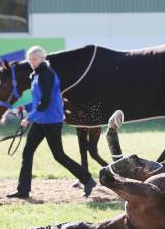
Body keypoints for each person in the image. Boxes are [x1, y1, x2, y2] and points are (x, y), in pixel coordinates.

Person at [7, 46, 97, 199]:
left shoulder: (46, 75)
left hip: (51, 121)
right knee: (27, 152)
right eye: (30, 59)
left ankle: (87, 179)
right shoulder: (35, 75)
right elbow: (38, 101)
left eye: (34, 59)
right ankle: (23, 190)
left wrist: (29, 118)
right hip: (41, 120)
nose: (31, 62)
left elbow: (46, 102)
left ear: (43, 59)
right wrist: (25, 107)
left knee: (59, 155)